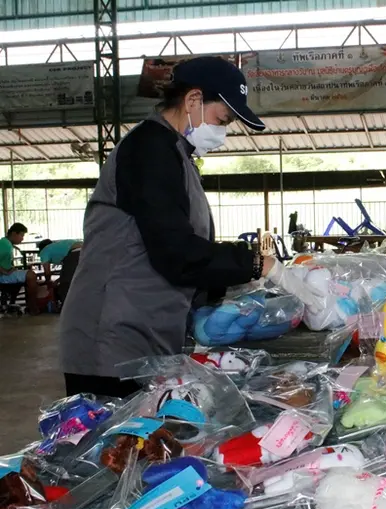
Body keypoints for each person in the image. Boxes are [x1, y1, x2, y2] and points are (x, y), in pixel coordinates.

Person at [59, 57, 320, 398]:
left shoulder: (175, 153)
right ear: (193, 101)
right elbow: (176, 251)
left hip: (143, 326)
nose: (222, 134)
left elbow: (184, 241)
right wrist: (258, 263)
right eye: (221, 120)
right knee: (114, 443)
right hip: (113, 338)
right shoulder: (150, 150)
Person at [0, 223, 40, 315]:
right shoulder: (4, 244)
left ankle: (30, 305)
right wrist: (4, 271)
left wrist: (10, 269)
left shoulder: (6, 243)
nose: (22, 238)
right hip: (2, 276)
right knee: (31, 275)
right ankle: (33, 307)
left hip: (6, 274)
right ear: (14, 234)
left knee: (30, 275)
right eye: (21, 235)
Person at [37, 239, 83, 304]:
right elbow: (65, 272)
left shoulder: (44, 251)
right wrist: (57, 281)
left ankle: (67, 305)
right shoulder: (59, 247)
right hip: (86, 250)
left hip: (75, 252)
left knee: (65, 285)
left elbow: (47, 271)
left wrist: (48, 283)